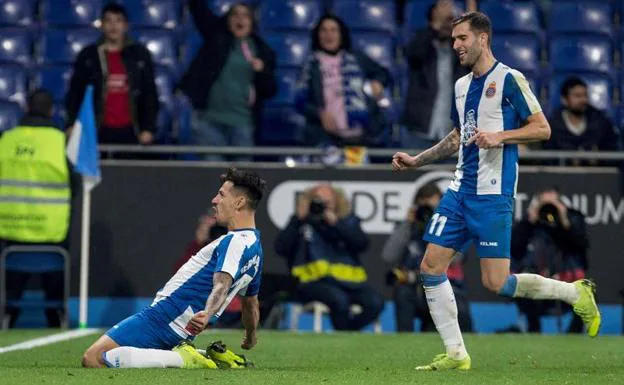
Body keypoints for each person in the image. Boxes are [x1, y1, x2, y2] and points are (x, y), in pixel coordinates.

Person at [391, 12, 600, 371]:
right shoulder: (460, 86)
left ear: (483, 39)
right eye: (454, 39)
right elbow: (458, 136)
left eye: (462, 39)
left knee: (496, 282)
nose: (456, 45)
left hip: (493, 195)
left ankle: (574, 292)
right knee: (430, 266)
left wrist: (500, 136)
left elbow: (542, 129)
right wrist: (418, 161)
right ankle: (456, 354)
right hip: (459, 191)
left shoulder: (509, 79)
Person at [81, 168, 266, 369]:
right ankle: (211, 357)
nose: (214, 200)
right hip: (183, 327)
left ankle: (184, 359)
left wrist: (207, 313)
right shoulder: (255, 249)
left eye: (221, 195)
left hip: (164, 317)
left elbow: (222, 284)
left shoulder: (234, 242)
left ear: (239, 202)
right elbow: (250, 304)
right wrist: (250, 337)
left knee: (94, 358)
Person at [0, 90, 72, 328]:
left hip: (9, 232)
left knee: (9, 298)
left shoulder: (6, 140)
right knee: (55, 295)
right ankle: (56, 322)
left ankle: (7, 318)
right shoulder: (60, 142)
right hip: (51, 234)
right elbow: (77, 188)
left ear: (26, 109)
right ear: (51, 111)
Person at [275, 184, 384, 331]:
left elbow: (362, 244)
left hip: (350, 284)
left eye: (327, 203)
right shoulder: (301, 223)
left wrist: (337, 224)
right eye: (318, 202)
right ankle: (346, 337)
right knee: (339, 300)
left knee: (375, 302)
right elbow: (281, 248)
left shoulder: (346, 221)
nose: (323, 206)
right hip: (312, 283)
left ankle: (348, 332)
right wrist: (298, 220)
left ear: (336, 202)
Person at [178, 0, 277, 161]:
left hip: (242, 123)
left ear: (252, 22)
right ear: (228, 20)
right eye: (235, 15)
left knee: (241, 182)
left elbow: (270, 90)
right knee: (212, 178)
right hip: (209, 121)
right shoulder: (216, 37)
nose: (240, 19)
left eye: (245, 16)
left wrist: (262, 72)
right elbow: (198, 9)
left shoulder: (263, 51)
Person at [65, 3, 159, 148]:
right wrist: (71, 124)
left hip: (131, 130)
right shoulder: (88, 56)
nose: (113, 26)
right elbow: (75, 93)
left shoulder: (139, 56)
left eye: (118, 20)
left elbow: (149, 94)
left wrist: (148, 128)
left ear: (126, 25)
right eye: (108, 21)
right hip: (97, 129)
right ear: (101, 25)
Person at [382, 183, 472, 333]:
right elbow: (388, 256)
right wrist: (407, 224)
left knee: (453, 307)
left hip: (445, 288)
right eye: (423, 207)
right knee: (403, 291)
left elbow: (457, 258)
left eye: (432, 208)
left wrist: (437, 226)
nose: (427, 213)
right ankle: (403, 341)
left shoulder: (452, 226)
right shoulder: (409, 227)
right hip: (414, 291)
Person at [295, 14, 391, 149]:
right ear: (317, 35)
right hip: (325, 139)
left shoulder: (357, 58)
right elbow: (300, 102)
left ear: (341, 34)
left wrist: (378, 82)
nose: (329, 35)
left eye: (333, 30)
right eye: (324, 30)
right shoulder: (310, 65)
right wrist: (320, 114)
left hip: (361, 137)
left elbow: (383, 73)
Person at [511, 186, 589, 334]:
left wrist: (564, 221)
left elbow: (581, 246)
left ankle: (573, 337)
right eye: (544, 204)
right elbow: (515, 249)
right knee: (523, 289)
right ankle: (534, 332)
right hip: (538, 285)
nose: (548, 209)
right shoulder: (529, 222)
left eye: (552, 203)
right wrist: (530, 221)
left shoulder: (572, 218)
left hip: (567, 281)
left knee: (587, 294)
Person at [402, 0, 468, 150]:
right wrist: (436, 25)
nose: (446, 24)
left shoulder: (460, 54)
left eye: (450, 20)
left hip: (451, 136)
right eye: (443, 20)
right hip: (419, 134)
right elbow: (413, 54)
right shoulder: (421, 44)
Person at [544, 76, 621, 166]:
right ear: (564, 100)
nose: (583, 100)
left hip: (596, 176)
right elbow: (547, 158)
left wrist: (599, 160)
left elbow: (613, 152)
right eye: (577, 96)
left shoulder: (601, 121)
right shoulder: (553, 125)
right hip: (562, 176)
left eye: (585, 95)